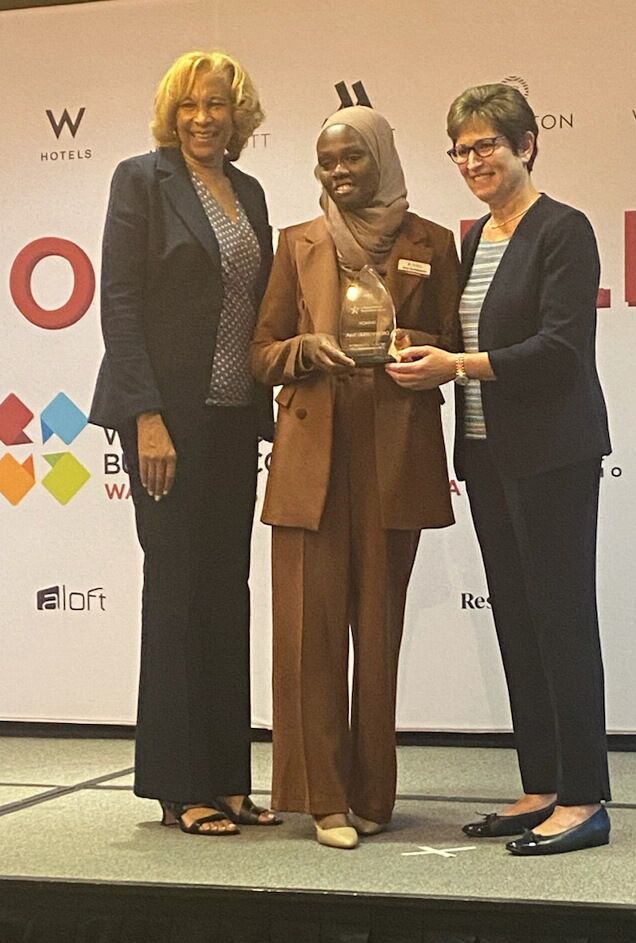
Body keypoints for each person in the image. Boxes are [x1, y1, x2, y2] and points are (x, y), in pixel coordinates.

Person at [387, 83, 612, 856]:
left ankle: (584, 796)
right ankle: (541, 783)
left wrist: (457, 363)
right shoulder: (474, 237)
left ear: (526, 145)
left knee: (561, 619)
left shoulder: (563, 229)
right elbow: (451, 337)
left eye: (487, 145)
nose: (473, 161)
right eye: (462, 149)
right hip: (485, 455)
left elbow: (560, 349)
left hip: (553, 453)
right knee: (516, 620)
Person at [251, 105, 459, 849]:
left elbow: (458, 345)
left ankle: (374, 793)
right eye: (327, 160)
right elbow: (262, 353)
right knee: (308, 635)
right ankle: (323, 800)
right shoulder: (296, 244)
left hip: (394, 456)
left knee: (378, 632)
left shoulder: (431, 241)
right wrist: (305, 350)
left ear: (382, 158)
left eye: (353, 158)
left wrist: (413, 344)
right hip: (312, 458)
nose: (339, 172)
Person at [90, 51, 281, 836]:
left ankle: (228, 778)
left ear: (240, 116)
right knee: (175, 592)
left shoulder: (252, 192)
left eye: (219, 105)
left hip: (235, 420)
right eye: (191, 105)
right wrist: (146, 417)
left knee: (225, 591)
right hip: (168, 421)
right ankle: (179, 785)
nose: (204, 118)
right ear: (172, 113)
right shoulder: (142, 181)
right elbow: (121, 303)